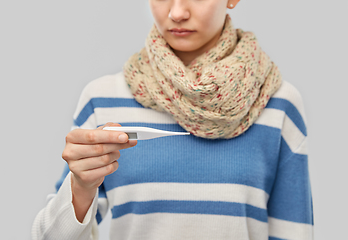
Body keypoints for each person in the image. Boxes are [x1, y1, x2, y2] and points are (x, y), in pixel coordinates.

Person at [32, 0, 314, 239]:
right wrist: (81, 187)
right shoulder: (102, 99)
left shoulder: (276, 103)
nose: (177, 12)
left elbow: (294, 232)